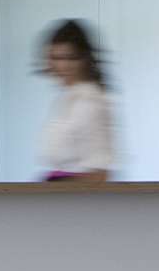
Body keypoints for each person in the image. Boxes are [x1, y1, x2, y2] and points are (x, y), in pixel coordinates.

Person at [35, 19, 119, 182]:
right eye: (57, 58)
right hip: (60, 191)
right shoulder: (67, 99)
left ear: (84, 59)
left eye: (71, 58)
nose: (63, 66)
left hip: (76, 197)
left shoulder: (92, 101)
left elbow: (100, 172)